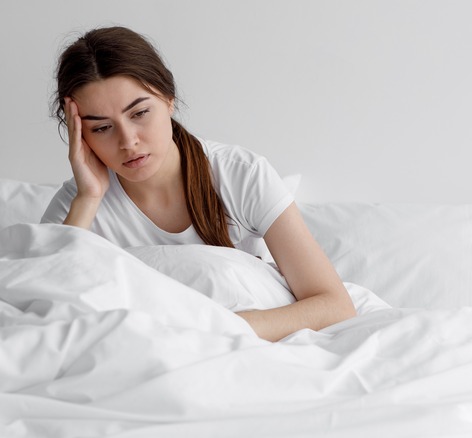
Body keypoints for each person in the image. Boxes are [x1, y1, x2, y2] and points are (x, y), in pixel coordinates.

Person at [41, 26, 356, 341]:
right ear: (78, 134)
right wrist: (88, 199)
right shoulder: (79, 203)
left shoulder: (241, 175)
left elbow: (334, 304)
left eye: (139, 113)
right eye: (102, 128)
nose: (128, 141)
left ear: (168, 100)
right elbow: (45, 306)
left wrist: (216, 330)